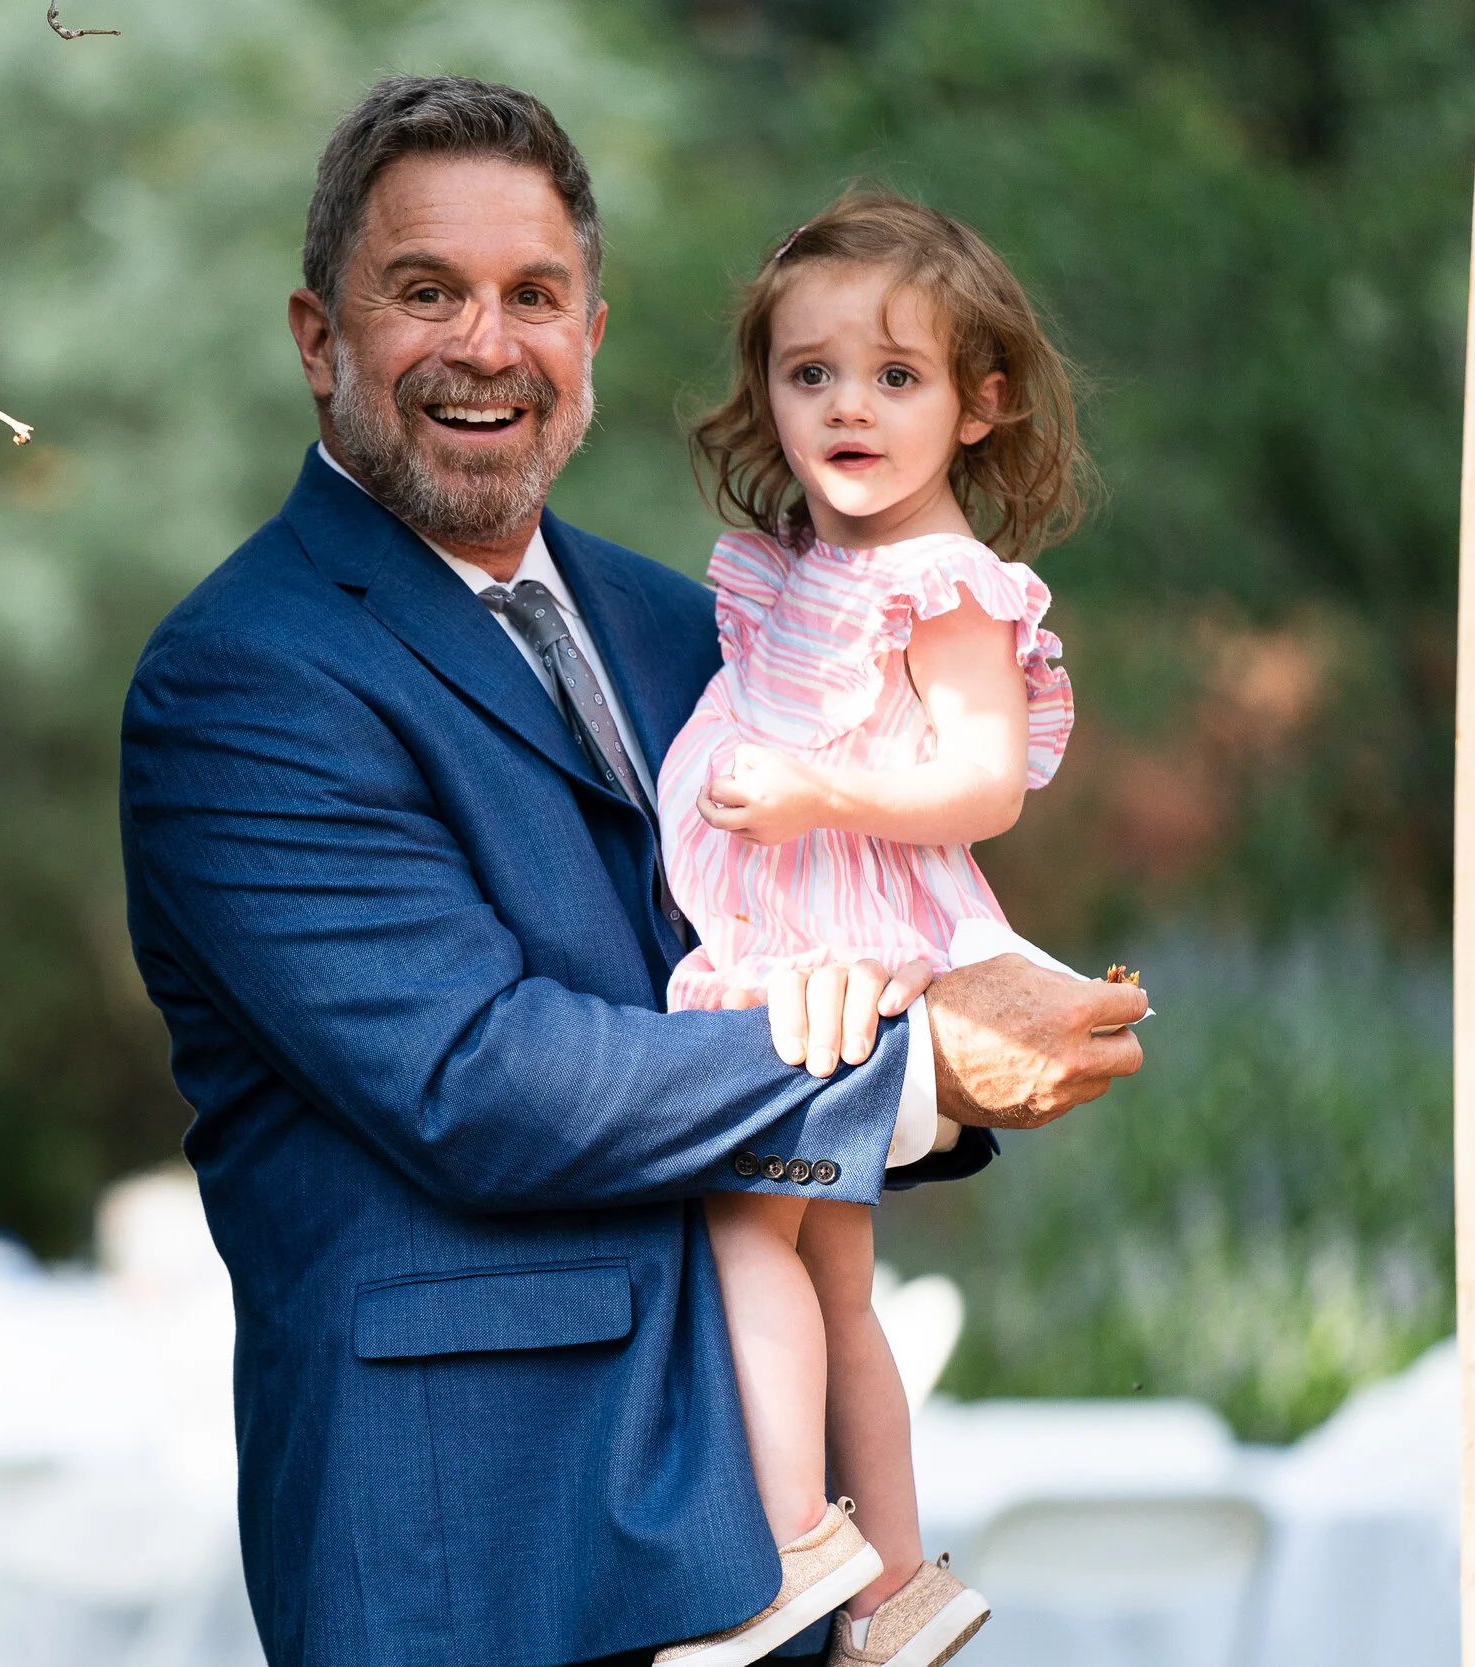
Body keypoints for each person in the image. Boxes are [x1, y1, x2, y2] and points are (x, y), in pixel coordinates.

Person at [118, 76, 1148, 1667]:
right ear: (320, 339)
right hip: (479, 1558)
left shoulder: (694, 629)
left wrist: (898, 991)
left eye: (534, 295)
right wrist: (913, 1062)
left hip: (767, 1564)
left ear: (591, 335)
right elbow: (479, 1079)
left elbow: (815, 914)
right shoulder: (246, 679)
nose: (487, 342)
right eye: (425, 292)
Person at [652, 194, 1093, 1667]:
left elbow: (981, 780)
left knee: (739, 1224)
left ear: (981, 403)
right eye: (810, 373)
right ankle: (894, 1587)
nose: (849, 406)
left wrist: (816, 786)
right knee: (838, 1276)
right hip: (802, 933)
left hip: (834, 949)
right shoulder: (816, 563)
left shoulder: (944, 581)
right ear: (764, 390)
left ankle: (789, 1547)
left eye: (897, 377)